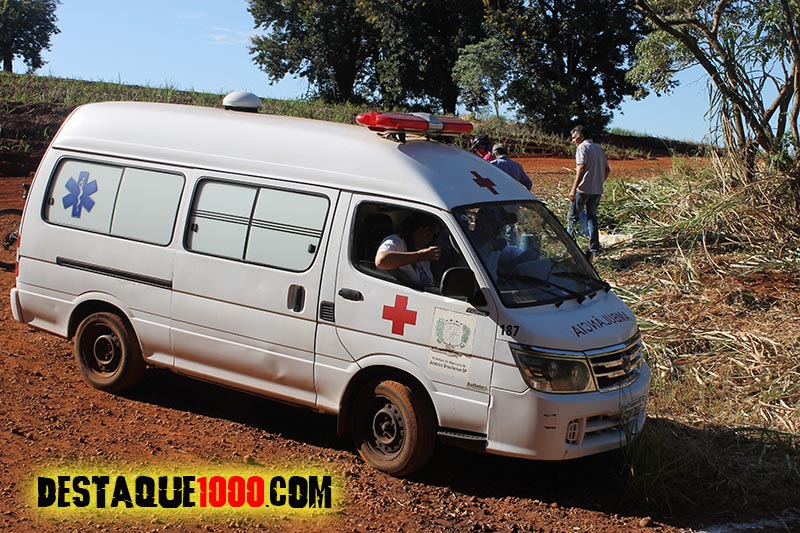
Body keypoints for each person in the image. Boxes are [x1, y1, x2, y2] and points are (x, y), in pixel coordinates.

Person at [567, 126, 610, 260]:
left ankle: (569, 249)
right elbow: (607, 169)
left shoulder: (582, 147)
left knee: (572, 218)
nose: (573, 141)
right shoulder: (599, 148)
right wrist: (598, 182)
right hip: (597, 190)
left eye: (574, 137)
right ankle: (594, 249)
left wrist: (573, 188)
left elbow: (581, 167)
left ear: (581, 136)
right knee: (592, 218)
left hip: (583, 189)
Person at [375, 212, 441, 289]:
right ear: (425, 231)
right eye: (434, 235)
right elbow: (381, 261)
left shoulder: (421, 250)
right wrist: (421, 255)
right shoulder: (396, 241)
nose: (432, 239)